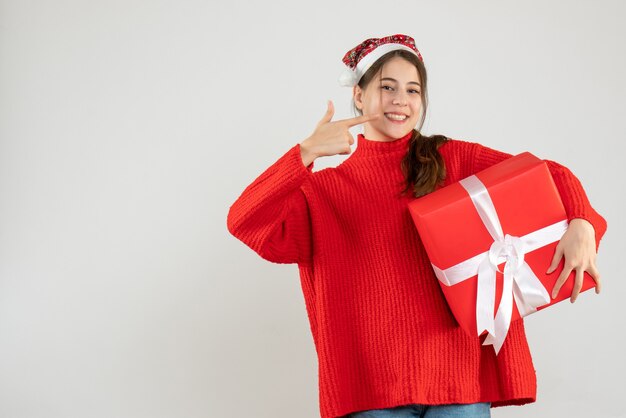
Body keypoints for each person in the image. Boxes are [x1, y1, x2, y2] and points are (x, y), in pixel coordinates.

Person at [226, 34, 607, 418]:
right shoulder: (323, 192)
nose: (400, 101)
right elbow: (244, 221)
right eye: (386, 87)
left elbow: (548, 174)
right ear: (358, 94)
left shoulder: (454, 160)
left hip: (459, 381)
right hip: (371, 393)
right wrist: (305, 152)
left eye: (413, 90)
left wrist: (581, 222)